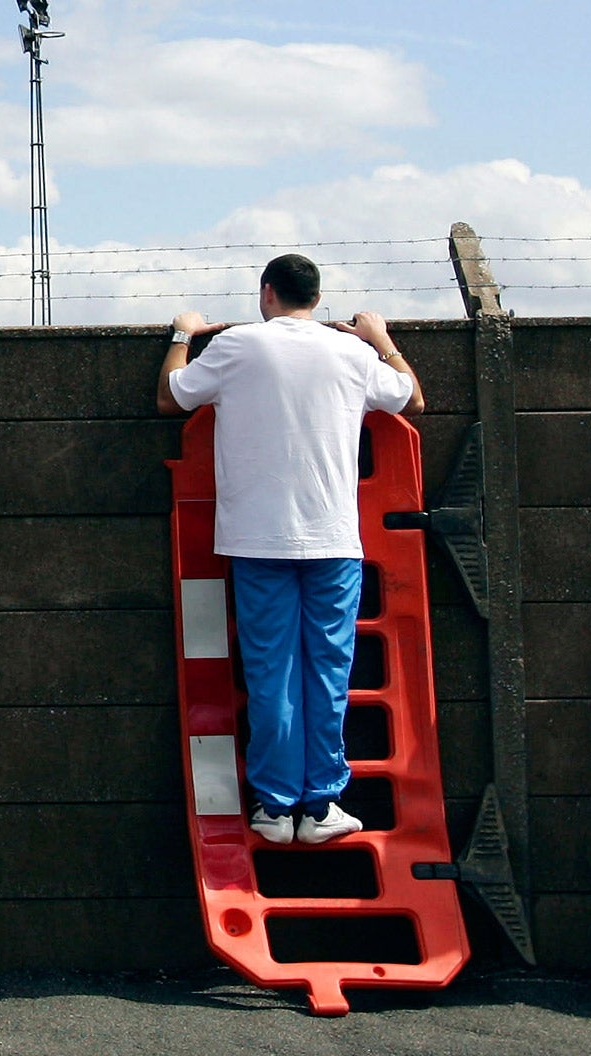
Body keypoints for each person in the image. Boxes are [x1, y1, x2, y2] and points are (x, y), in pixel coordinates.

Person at [156, 253, 425, 845]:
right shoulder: (352, 354)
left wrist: (183, 331)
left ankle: (274, 809)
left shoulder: (239, 347)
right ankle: (323, 803)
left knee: (269, 671)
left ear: (266, 293)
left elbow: (171, 398)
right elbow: (412, 401)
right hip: (333, 539)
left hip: (256, 538)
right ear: (317, 298)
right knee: (328, 670)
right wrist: (383, 341)